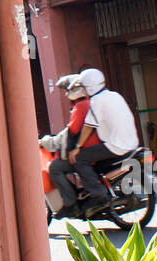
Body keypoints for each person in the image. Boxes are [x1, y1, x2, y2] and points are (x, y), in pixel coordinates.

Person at [43, 67, 140, 218]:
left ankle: (96, 195)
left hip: (115, 145)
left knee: (76, 160)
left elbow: (82, 128)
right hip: (130, 142)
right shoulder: (113, 95)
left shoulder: (92, 103)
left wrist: (76, 148)